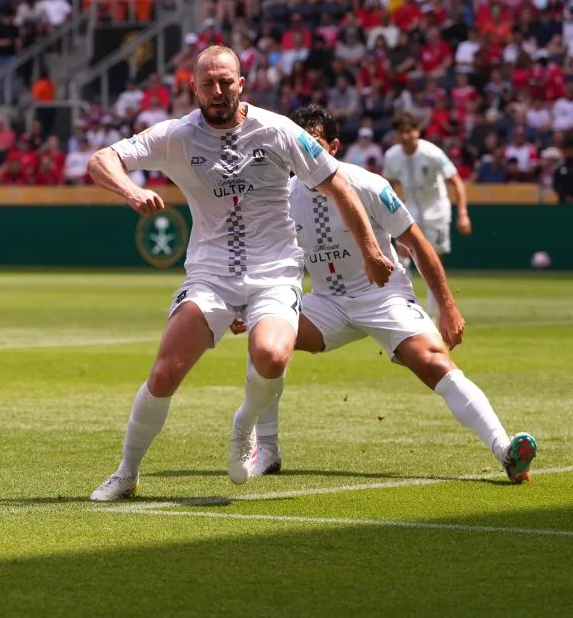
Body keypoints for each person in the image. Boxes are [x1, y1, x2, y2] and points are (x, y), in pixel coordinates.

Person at [87, 45, 395, 501]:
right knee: (165, 373)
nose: (217, 91)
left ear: (241, 84)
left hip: (274, 272)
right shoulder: (176, 135)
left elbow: (337, 183)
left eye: (225, 82)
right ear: (193, 87)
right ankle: (127, 473)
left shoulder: (278, 130)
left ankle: (244, 425)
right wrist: (131, 190)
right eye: (208, 83)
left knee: (272, 356)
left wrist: (370, 249)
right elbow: (100, 160)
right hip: (210, 274)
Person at [230, 105, 537, 484]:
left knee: (433, 362)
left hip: (383, 297)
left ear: (335, 147)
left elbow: (418, 244)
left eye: (317, 145)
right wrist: (247, 303)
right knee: (266, 337)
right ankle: (268, 451)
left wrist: (448, 307)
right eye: (300, 145)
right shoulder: (280, 196)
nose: (307, 155)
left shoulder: (368, 185)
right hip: (325, 302)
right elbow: (263, 256)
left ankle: (505, 450)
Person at [383, 113, 472, 321]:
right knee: (401, 257)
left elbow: (456, 180)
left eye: (409, 131)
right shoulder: (391, 156)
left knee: (433, 262)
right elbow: (388, 185)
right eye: (400, 132)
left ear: (417, 132)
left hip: (436, 213)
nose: (405, 136)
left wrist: (463, 213)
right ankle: (407, 309)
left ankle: (432, 313)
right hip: (409, 211)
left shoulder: (433, 153)